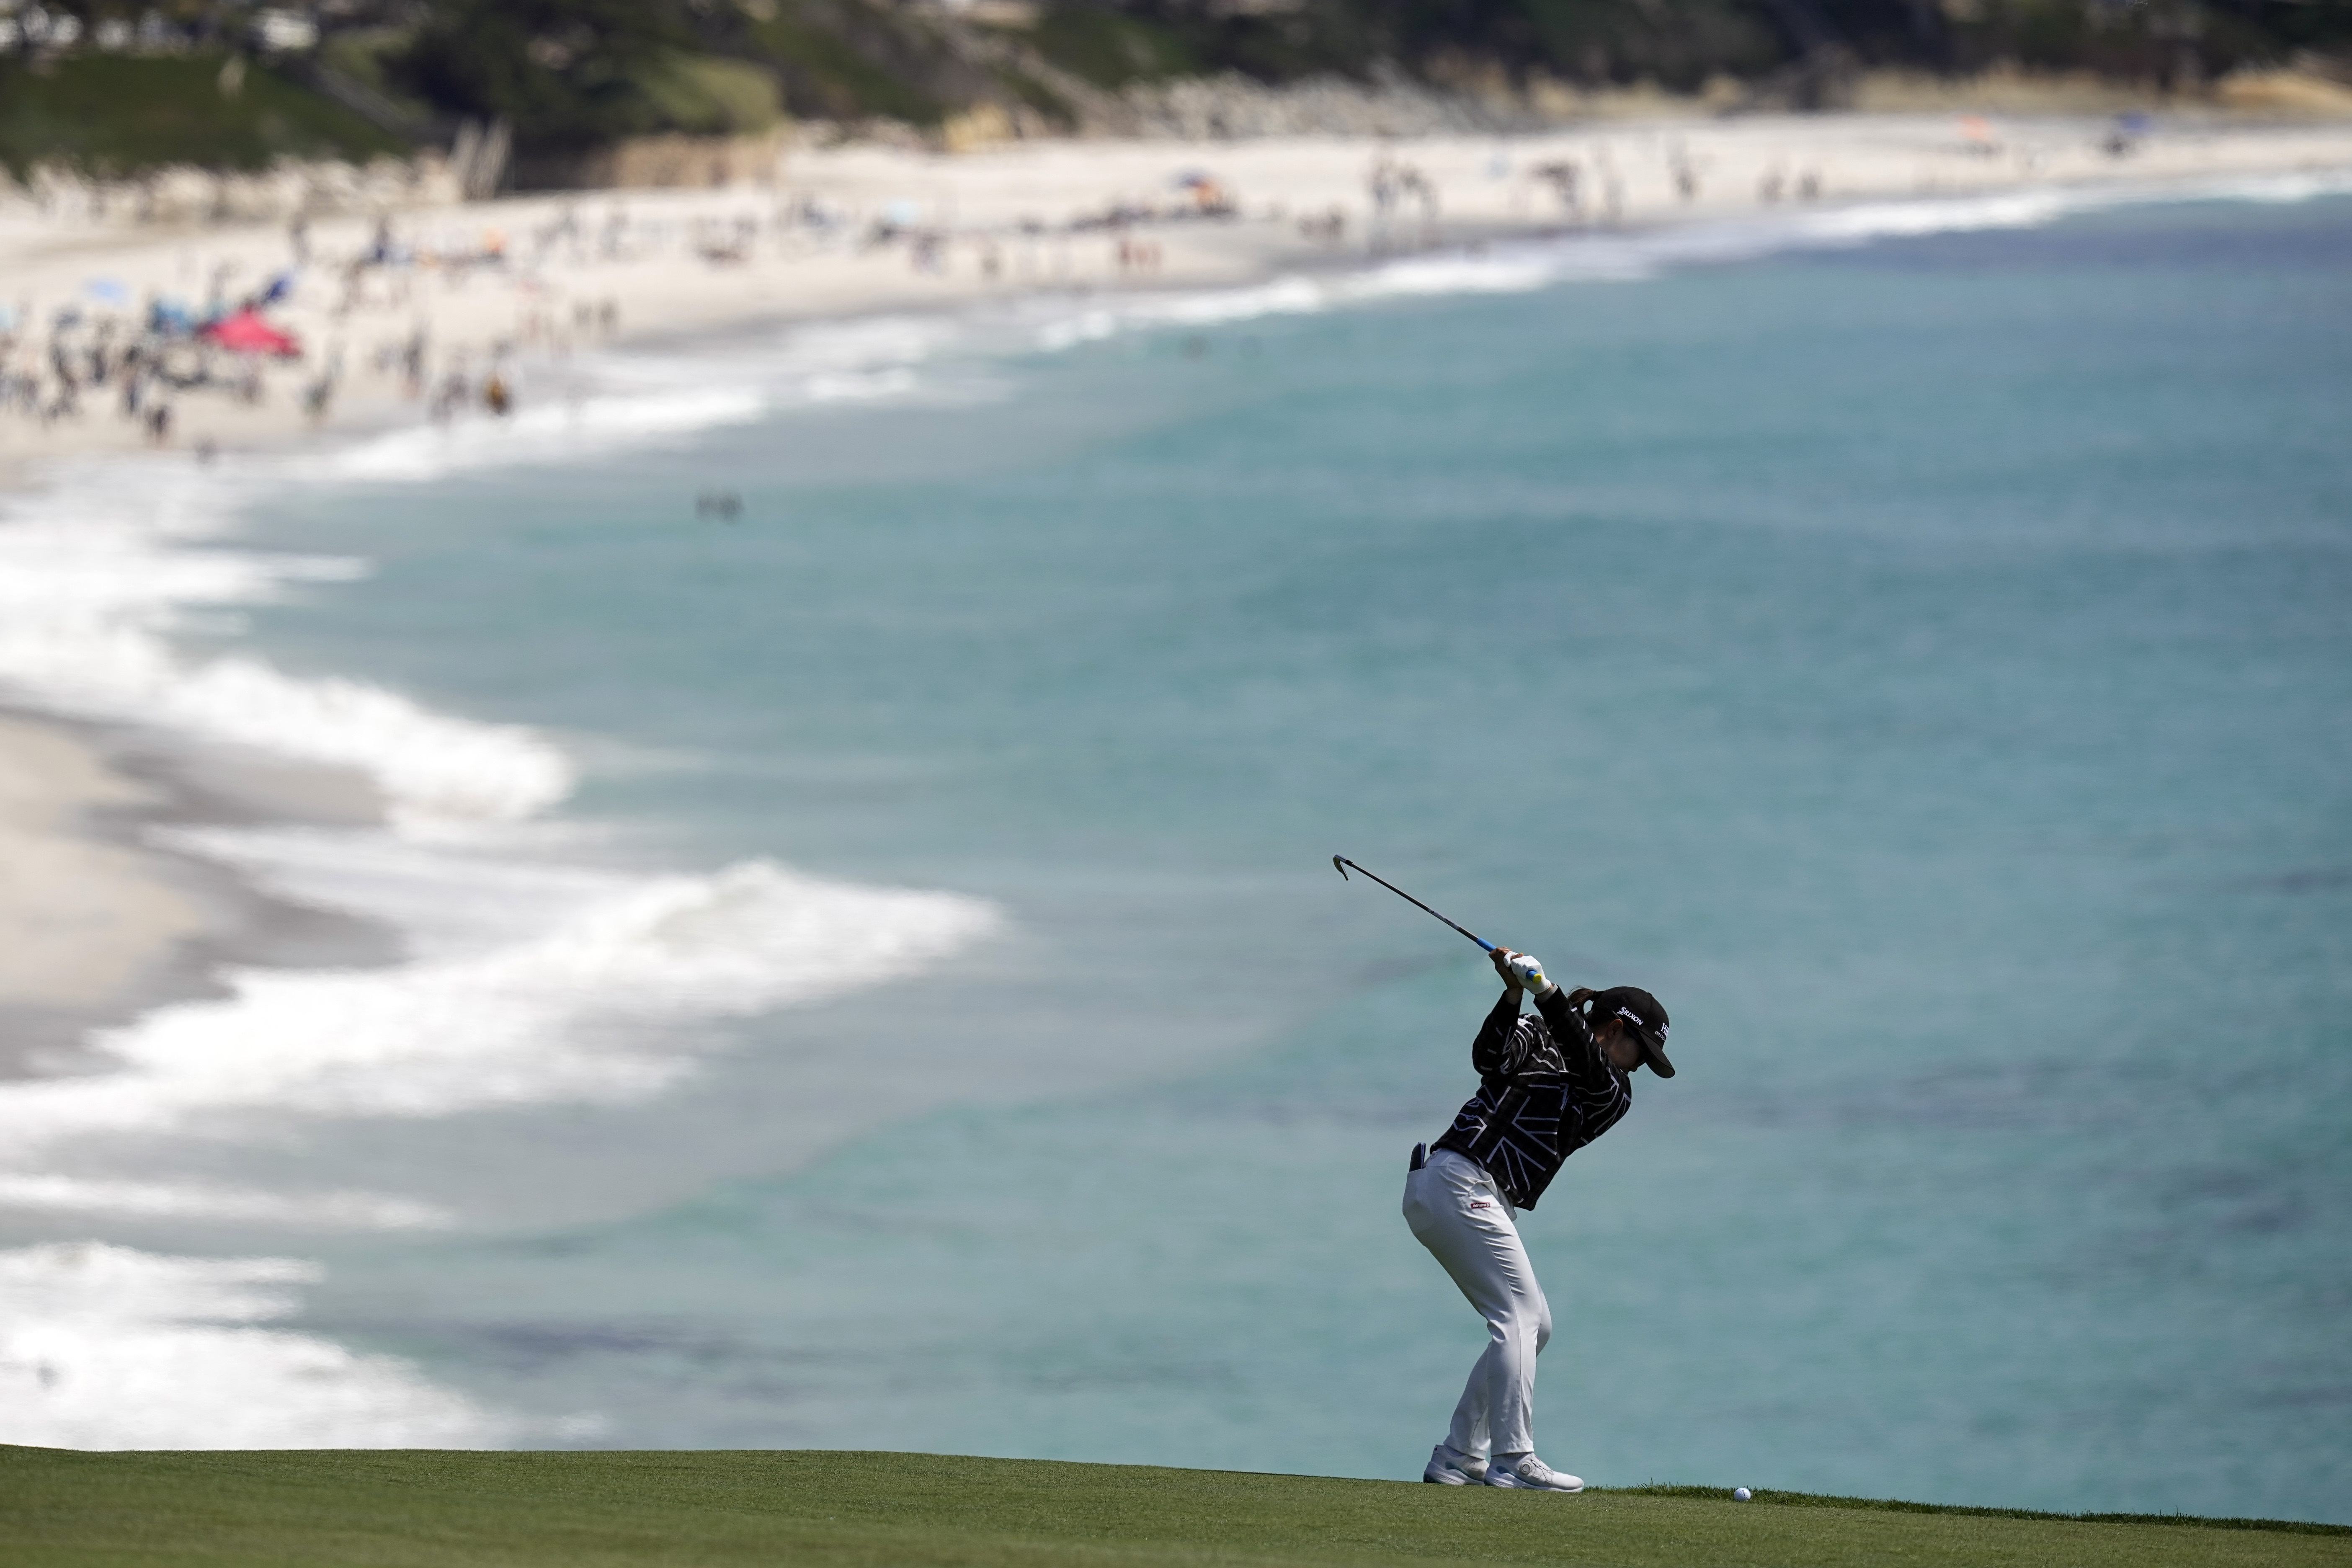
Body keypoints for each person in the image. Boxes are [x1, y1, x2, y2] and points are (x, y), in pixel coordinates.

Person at [1403, 946, 1673, 1493]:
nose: (1638, 1065)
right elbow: (1489, 1057)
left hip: (1472, 1193)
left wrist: (1546, 993)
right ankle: (1512, 1458)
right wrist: (1512, 994)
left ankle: (1459, 1455)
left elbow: (1587, 1060)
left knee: (1534, 1325)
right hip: (1457, 1179)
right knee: (1520, 1317)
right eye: (1638, 1050)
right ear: (1616, 1027)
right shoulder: (1539, 1031)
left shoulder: (1613, 1092)